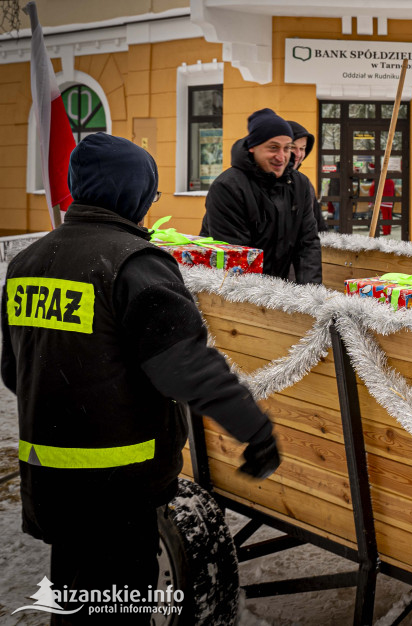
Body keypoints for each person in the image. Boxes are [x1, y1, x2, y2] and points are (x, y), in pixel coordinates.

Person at [1, 133, 280, 622]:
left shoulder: (28, 261)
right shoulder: (133, 263)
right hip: (116, 489)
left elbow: (12, 369)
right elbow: (187, 368)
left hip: (51, 481)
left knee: (74, 599)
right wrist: (253, 429)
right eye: (148, 194)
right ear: (132, 193)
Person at [201, 108, 322, 284]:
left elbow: (308, 245)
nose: (281, 157)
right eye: (273, 148)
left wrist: (312, 297)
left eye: (287, 148)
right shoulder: (228, 187)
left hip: (278, 290)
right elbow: (237, 257)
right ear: (253, 147)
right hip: (235, 292)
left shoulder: (299, 184)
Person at [288, 119, 327, 233]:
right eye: (292, 147)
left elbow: (318, 226)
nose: (298, 154)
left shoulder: (304, 183)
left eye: (302, 148)